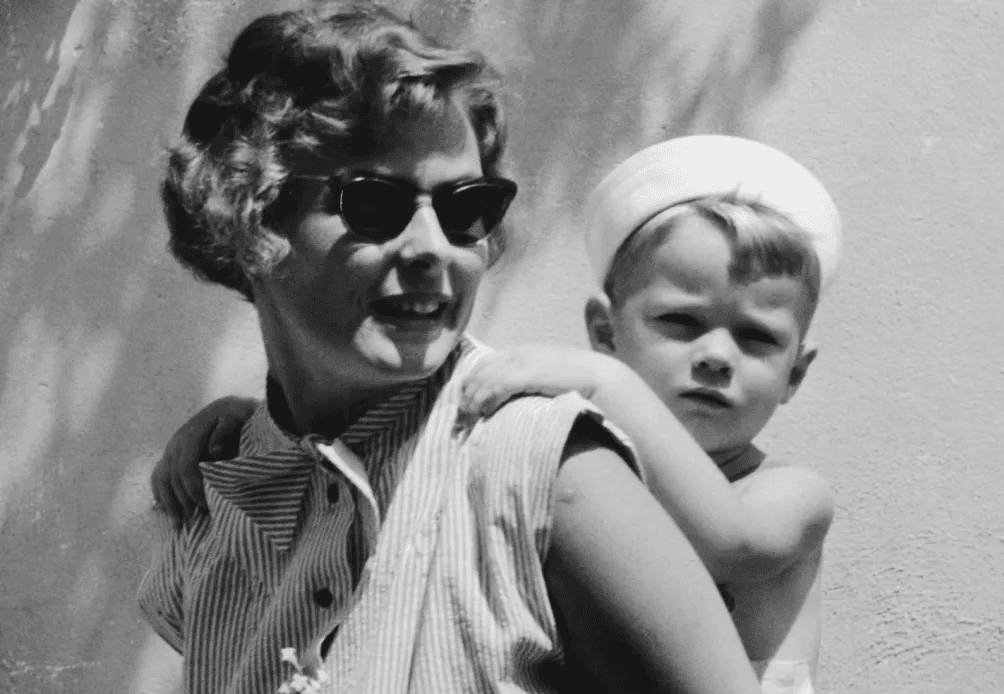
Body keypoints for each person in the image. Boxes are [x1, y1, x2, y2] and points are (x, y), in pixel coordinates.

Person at [137, 4, 764, 694]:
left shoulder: (544, 469)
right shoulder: (220, 481)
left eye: (468, 208)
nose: (435, 250)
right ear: (248, 215)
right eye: (373, 203)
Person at [459, 135, 842, 693]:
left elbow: (732, 543)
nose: (715, 356)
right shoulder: (591, 472)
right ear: (603, 331)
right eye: (682, 323)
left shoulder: (795, 493)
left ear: (795, 375)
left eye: (757, 337)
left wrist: (608, 383)